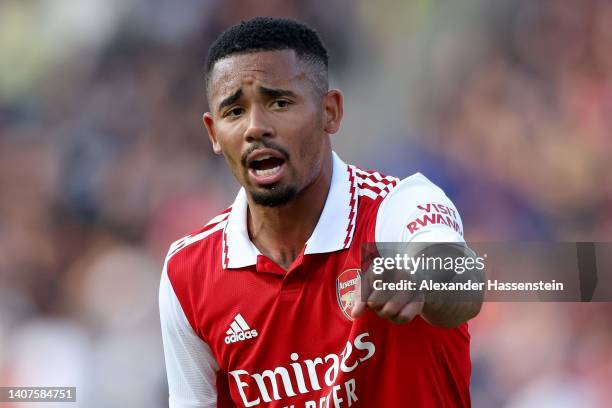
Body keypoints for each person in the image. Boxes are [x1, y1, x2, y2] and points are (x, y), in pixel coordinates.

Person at [160, 16, 481, 408]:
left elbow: (463, 281)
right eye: (234, 112)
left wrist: (423, 275)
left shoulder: (395, 207)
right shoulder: (187, 271)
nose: (255, 127)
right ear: (213, 133)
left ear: (330, 112)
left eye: (279, 102)